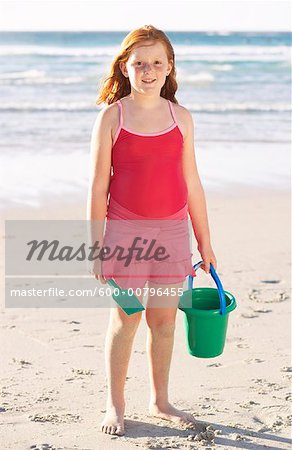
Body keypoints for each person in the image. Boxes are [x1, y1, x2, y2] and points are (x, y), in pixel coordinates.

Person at [87, 24, 217, 436]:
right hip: (124, 234)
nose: (148, 69)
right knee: (127, 318)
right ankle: (115, 403)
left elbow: (192, 182)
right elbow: (98, 186)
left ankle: (160, 401)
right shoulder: (112, 116)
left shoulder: (181, 118)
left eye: (156, 62)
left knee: (163, 321)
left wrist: (205, 242)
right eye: (139, 62)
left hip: (173, 233)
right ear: (125, 67)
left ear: (169, 66)